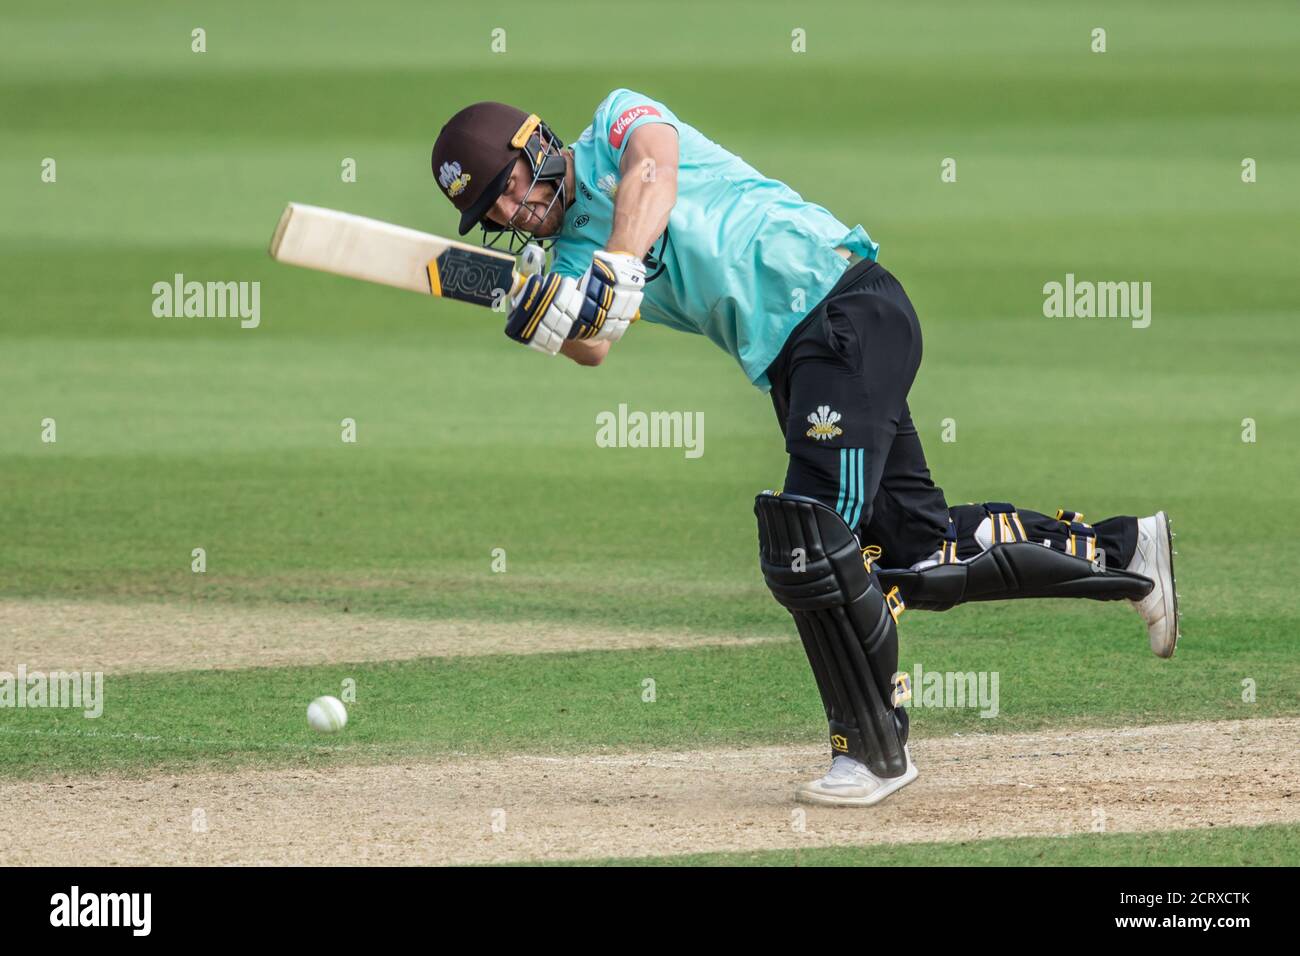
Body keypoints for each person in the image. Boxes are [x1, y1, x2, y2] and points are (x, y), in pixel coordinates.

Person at [430, 89, 1179, 807]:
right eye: (486, 210)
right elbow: (598, 345)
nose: (506, 210)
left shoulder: (617, 125)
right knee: (917, 548)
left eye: (506, 184)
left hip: (842, 309)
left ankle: (873, 748)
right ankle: (1127, 553)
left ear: (537, 146)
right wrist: (539, 315)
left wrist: (618, 264)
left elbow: (653, 171)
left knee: (810, 542)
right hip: (796, 363)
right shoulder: (568, 258)